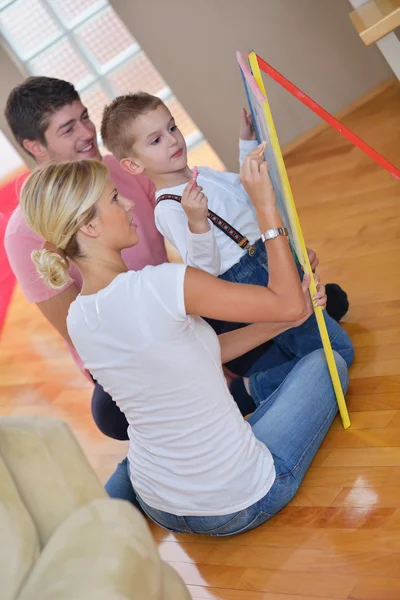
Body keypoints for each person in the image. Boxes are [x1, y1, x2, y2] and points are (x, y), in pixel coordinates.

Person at [18, 147, 349, 536]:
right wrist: (265, 206)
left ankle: (103, 514)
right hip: (239, 501)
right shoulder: (161, 284)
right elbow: (290, 304)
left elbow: (200, 353)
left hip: (159, 503)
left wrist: (283, 322)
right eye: (113, 198)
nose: (127, 203)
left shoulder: (78, 315)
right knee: (328, 364)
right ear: (89, 227)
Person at [100, 92, 353, 386]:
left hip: (268, 256)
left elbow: (245, 193)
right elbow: (201, 272)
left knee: (318, 330)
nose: (172, 140)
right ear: (133, 166)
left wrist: (246, 144)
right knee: (339, 352)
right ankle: (262, 385)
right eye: (155, 140)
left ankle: (286, 371)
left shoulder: (199, 174)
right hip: (249, 277)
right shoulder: (169, 208)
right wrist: (197, 223)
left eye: (172, 128)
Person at [4, 76, 168, 441]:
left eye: (85, 117)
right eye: (67, 128)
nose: (87, 132)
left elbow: (190, 220)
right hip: (128, 351)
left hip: (180, 305)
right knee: (111, 415)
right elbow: (80, 332)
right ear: (36, 147)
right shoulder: (23, 234)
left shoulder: (122, 168)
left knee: (321, 299)